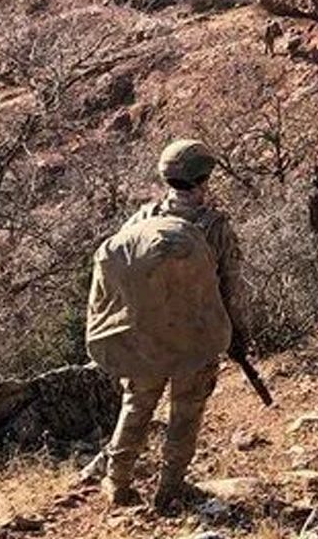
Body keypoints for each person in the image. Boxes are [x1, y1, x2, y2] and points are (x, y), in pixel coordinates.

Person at [92, 140, 245, 511]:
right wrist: (238, 335)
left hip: (144, 337)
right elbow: (232, 288)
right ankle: (171, 489)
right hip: (194, 340)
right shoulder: (214, 227)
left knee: (136, 406)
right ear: (204, 178)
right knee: (186, 413)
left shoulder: (141, 220)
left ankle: (118, 484)